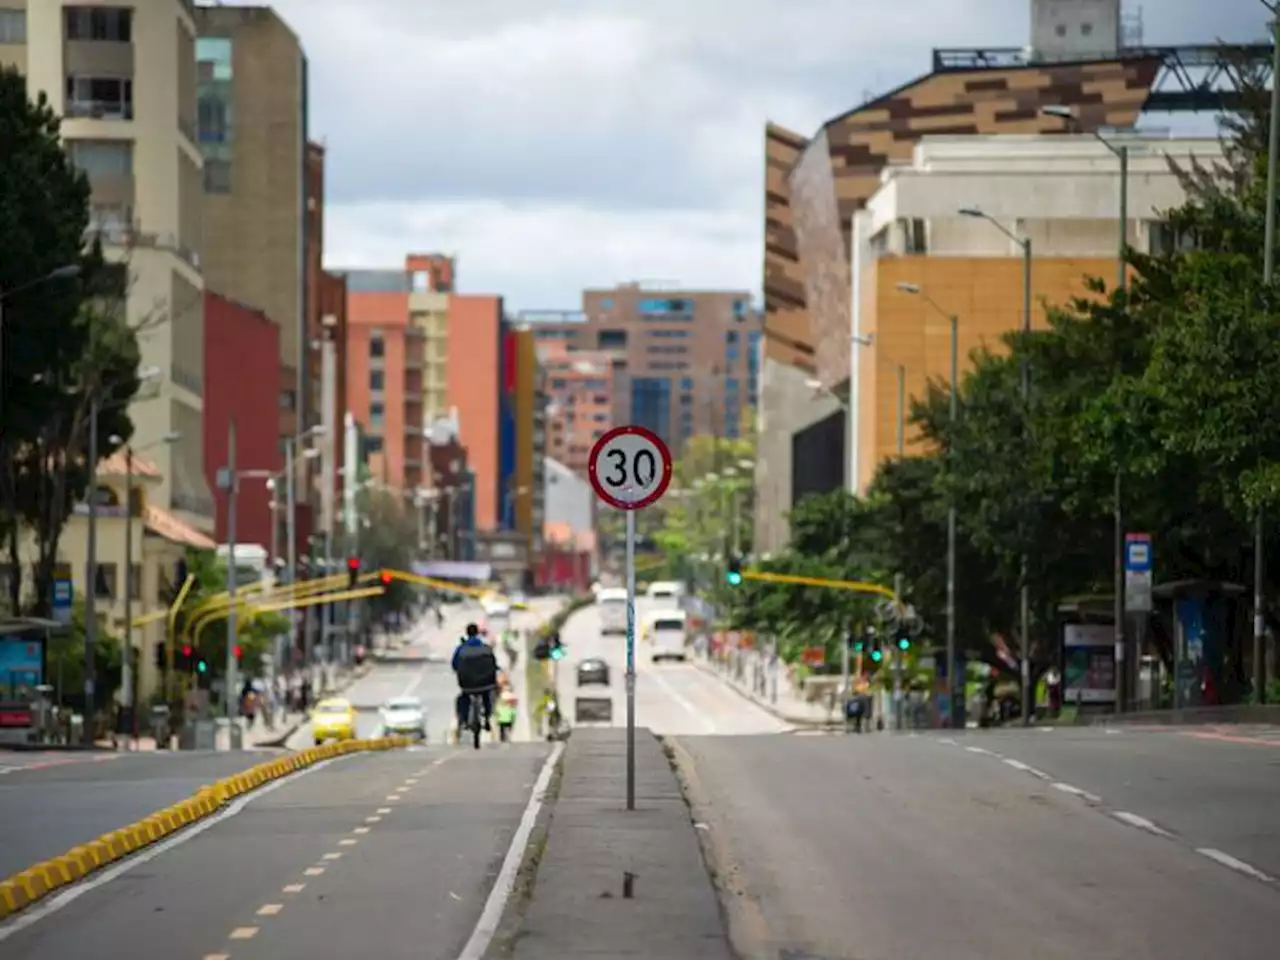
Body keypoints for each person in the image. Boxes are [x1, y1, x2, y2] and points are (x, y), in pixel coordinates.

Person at [452, 623, 498, 739]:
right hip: (485, 683)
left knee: (463, 698)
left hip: (467, 684)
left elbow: (454, 664)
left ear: (467, 633)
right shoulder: (485, 647)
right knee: (487, 697)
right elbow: (493, 664)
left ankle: (463, 719)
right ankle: (487, 718)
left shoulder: (461, 648)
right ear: (477, 633)